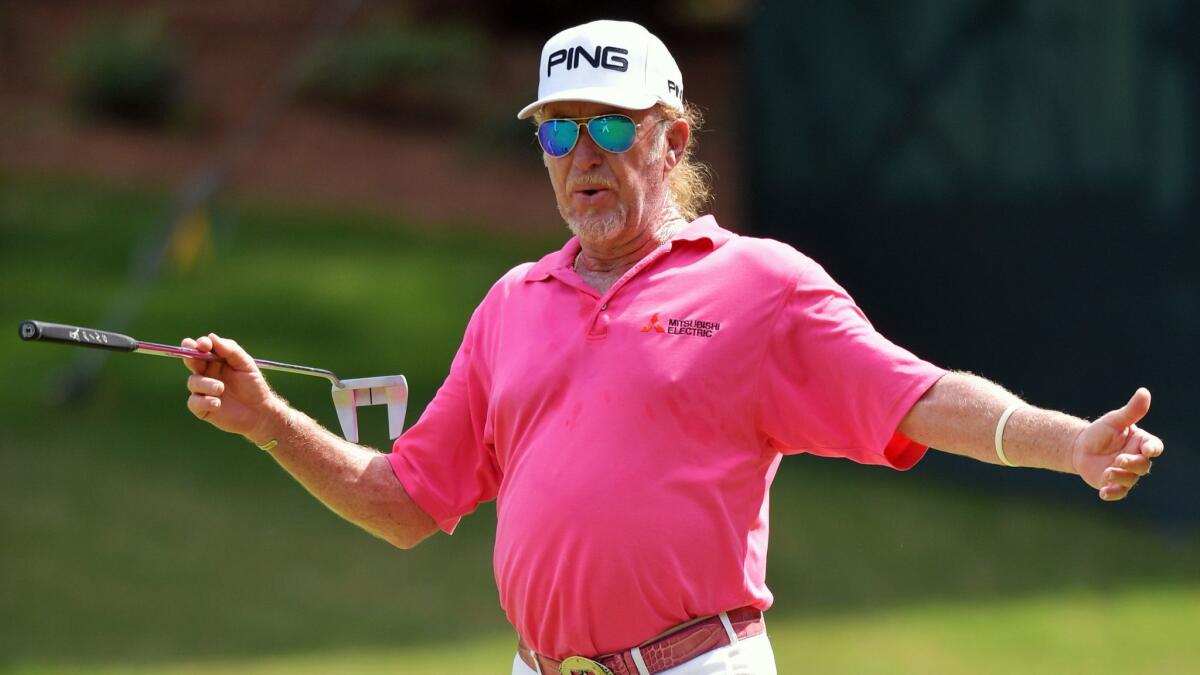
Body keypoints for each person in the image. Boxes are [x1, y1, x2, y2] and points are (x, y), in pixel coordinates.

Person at [180, 20, 1165, 675]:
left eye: (613, 124)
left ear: (673, 140)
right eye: (558, 135)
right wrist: (271, 423)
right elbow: (401, 504)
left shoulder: (762, 286)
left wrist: (1070, 442)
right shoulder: (513, 301)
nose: (585, 156)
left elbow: (918, 395)